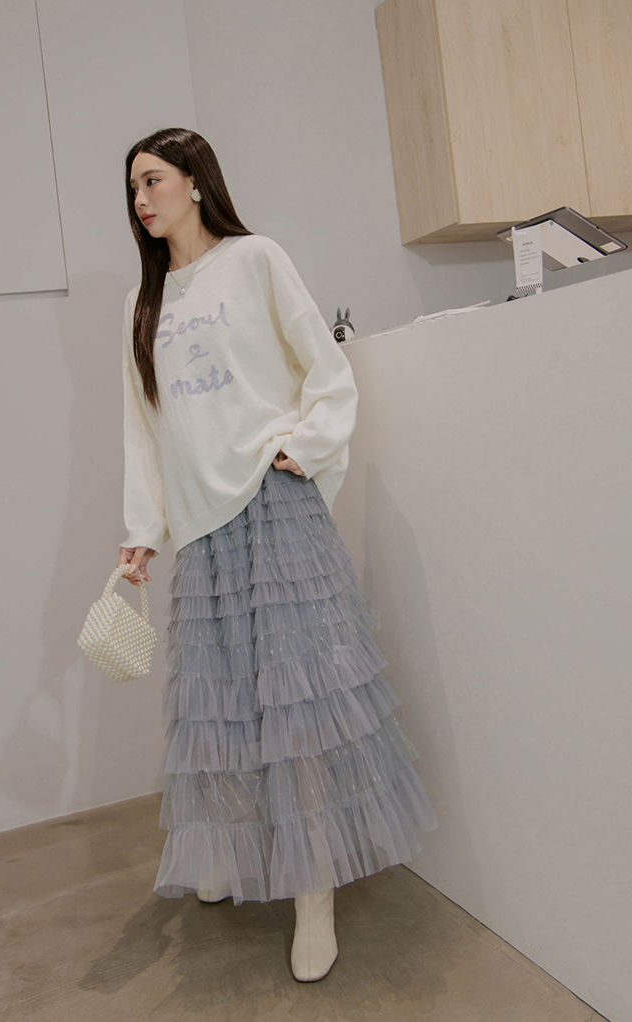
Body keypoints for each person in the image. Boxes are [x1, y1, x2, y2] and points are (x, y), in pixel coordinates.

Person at [116, 127, 439, 982]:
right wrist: (143, 529)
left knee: (298, 710)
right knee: (223, 708)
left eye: (153, 180)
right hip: (202, 527)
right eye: (134, 187)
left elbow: (325, 368)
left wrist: (306, 442)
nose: (141, 199)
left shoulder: (255, 260)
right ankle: (231, 852)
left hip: (271, 507)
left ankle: (314, 893)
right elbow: (142, 427)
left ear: (195, 181)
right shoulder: (143, 302)